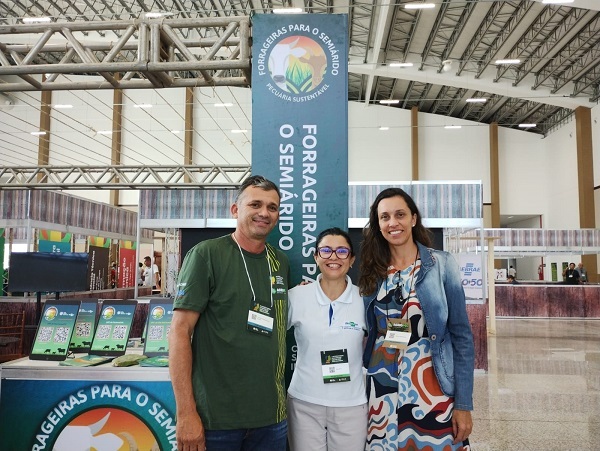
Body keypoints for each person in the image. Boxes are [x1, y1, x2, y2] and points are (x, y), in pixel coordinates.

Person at [169, 175, 290, 451]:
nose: (264, 213)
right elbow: (179, 331)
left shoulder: (280, 262)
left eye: (272, 207)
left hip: (271, 419)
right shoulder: (207, 255)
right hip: (215, 421)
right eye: (255, 204)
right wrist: (185, 413)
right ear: (235, 210)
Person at [358, 187, 474, 450]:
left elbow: (462, 337)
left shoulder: (442, 265)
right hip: (381, 392)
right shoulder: (373, 271)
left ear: (413, 218)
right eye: (384, 217)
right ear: (378, 224)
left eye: (400, 214)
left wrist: (464, 404)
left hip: (433, 391)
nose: (392, 222)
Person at [287, 227, 367, 451]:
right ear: (316, 257)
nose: (334, 257)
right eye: (326, 251)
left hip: (351, 405)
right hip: (304, 402)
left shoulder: (364, 300)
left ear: (351, 260)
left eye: (342, 251)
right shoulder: (296, 296)